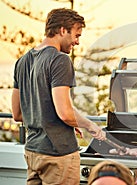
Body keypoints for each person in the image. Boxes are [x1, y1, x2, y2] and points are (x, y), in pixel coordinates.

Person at [11, 8, 106, 185]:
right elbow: (65, 113)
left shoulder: (22, 62)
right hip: (58, 155)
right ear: (63, 30)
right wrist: (88, 125)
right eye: (76, 35)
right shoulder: (59, 60)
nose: (77, 42)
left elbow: (17, 114)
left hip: (33, 152)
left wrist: (60, 120)